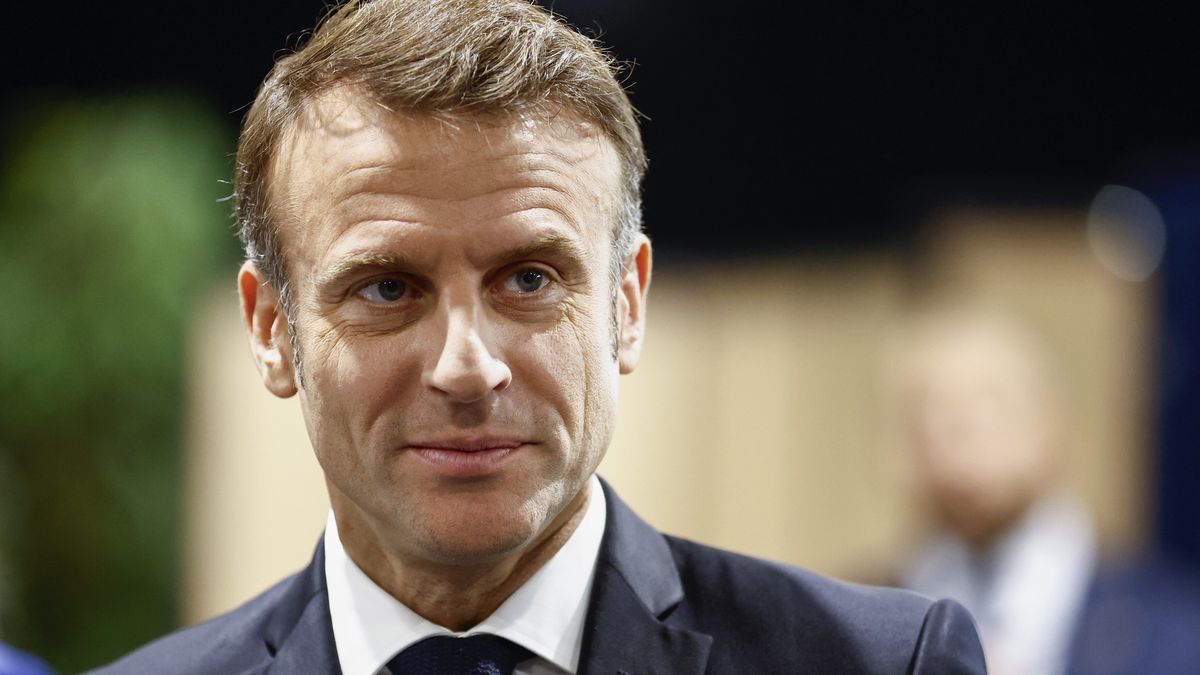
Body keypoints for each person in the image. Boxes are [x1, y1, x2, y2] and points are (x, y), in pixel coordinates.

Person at [91, 1, 986, 673]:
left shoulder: (882, 662)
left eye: (528, 279)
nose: (466, 367)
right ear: (271, 330)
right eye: (388, 287)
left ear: (626, 305)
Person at [892, 304, 1200, 675]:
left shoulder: (1174, 626)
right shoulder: (858, 622)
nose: (957, 424)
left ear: (1055, 424)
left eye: (991, 397)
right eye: (929, 405)